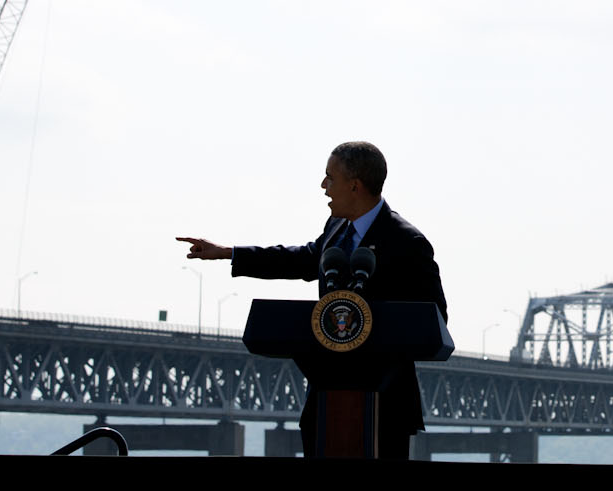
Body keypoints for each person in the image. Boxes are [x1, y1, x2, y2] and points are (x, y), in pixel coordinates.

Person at [178, 141, 448, 459]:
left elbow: (435, 320)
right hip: (327, 399)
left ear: (354, 185)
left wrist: (376, 323)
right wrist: (229, 253)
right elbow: (302, 259)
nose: (323, 186)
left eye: (330, 178)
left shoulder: (407, 242)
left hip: (383, 403)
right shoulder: (336, 229)